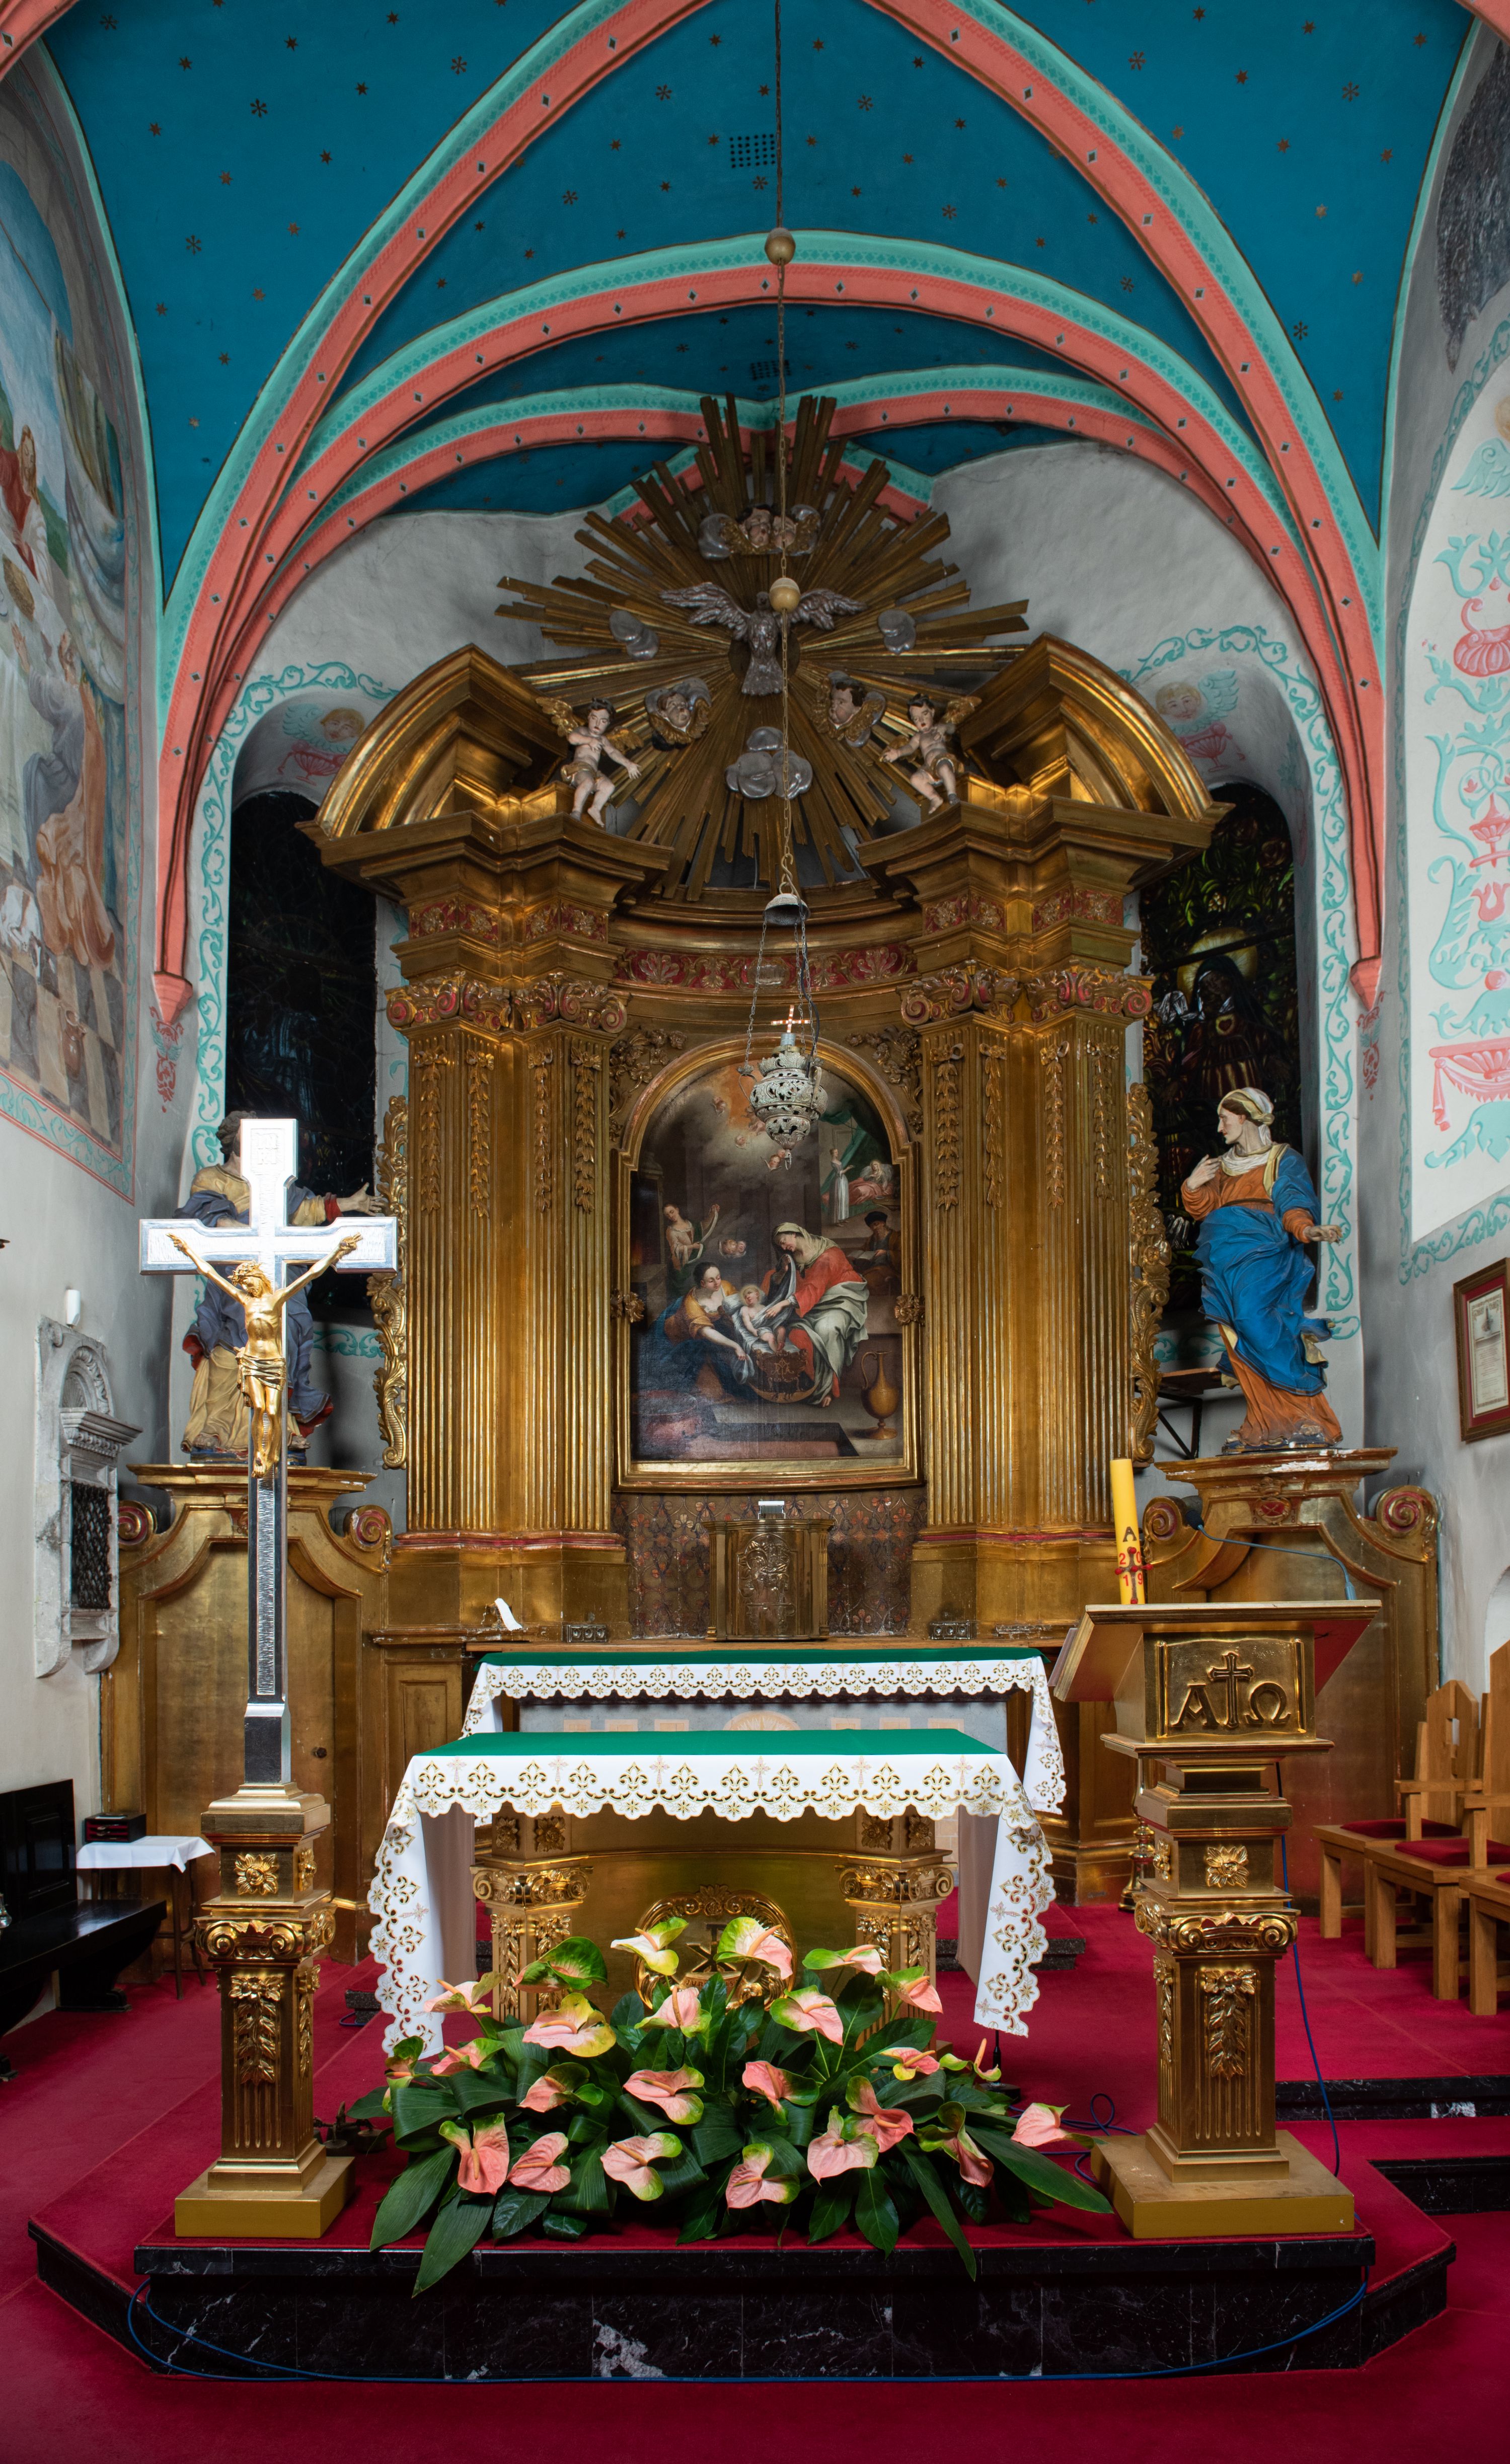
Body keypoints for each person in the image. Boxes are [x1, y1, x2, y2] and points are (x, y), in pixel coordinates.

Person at [177, 1112, 383, 1461]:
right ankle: (215, 1426)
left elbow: (304, 1212)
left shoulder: (276, 1185)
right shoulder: (212, 1178)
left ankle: (279, 1428)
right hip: (236, 1273)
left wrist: (349, 1204)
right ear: (232, 1138)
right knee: (231, 1344)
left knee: (283, 1342)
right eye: (248, 1133)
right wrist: (248, 1235)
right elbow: (206, 1216)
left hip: (277, 1278)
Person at [1180, 1087, 1343, 1453]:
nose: (1220, 1128)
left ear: (1245, 1117)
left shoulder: (1282, 1159)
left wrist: (1307, 1230)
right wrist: (1192, 1186)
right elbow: (1205, 1207)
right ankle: (1263, 1422)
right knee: (1238, 1332)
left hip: (1265, 1255)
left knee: (1259, 1322)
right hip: (1225, 1261)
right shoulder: (1221, 1166)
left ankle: (1305, 1416)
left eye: (1225, 1119)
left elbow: (1293, 1201)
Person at [760, 1221, 869, 1406]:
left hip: (841, 1300)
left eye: (784, 1242)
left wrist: (783, 1304)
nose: (784, 1247)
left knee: (826, 1330)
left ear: (794, 1233)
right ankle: (813, 1385)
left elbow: (813, 1289)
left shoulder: (827, 1255)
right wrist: (782, 1273)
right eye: (780, 1246)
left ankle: (830, 1389)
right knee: (798, 1334)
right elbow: (788, 1282)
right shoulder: (792, 1257)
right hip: (813, 1304)